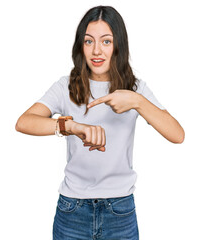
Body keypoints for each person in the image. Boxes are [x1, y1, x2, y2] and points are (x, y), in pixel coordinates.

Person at [15, 5, 185, 240]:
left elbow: (177, 135)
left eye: (106, 41)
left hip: (120, 212)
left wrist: (137, 101)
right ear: (80, 46)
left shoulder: (136, 89)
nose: (96, 50)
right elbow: (24, 122)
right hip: (72, 210)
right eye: (88, 41)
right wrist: (72, 127)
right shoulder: (66, 86)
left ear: (118, 45)